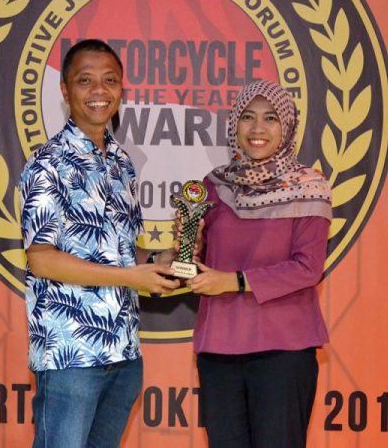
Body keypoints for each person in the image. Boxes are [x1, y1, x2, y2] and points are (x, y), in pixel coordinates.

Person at [19, 39, 180, 448]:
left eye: (109, 80)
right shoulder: (47, 164)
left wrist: (165, 258)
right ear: (65, 90)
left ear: (121, 88)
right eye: (85, 80)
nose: (99, 91)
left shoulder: (123, 163)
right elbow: (42, 260)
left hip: (123, 353)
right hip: (71, 354)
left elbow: (123, 250)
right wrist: (131, 276)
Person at [187, 80, 333, 448]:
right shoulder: (214, 185)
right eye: (247, 117)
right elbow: (198, 260)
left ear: (287, 126)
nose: (257, 128)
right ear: (234, 123)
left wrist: (233, 281)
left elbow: (307, 268)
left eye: (270, 118)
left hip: (283, 349)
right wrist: (190, 248)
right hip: (219, 349)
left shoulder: (308, 186)